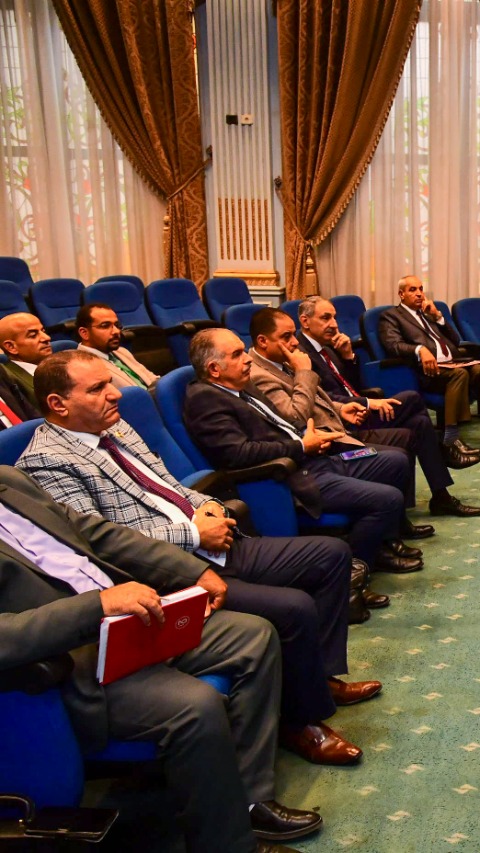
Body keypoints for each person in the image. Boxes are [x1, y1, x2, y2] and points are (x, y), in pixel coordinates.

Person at [18, 349, 377, 767]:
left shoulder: (114, 426)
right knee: (293, 607)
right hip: (165, 572)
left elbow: (169, 485)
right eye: (97, 388)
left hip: (210, 541)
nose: (115, 393)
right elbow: (100, 545)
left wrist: (208, 507)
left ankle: (320, 679)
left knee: (330, 554)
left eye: (110, 383)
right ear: (58, 404)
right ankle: (300, 723)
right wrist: (192, 533)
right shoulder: (47, 462)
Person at [0, 465, 320, 852]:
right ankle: (228, 844)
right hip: (68, 664)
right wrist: (95, 607)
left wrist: (191, 570)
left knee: (254, 635)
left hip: (131, 620)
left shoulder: (10, 480)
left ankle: (250, 801)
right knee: (196, 705)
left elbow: (99, 534)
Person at [182, 328, 423, 574]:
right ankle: (355, 568)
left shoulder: (241, 385)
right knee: (389, 498)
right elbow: (237, 454)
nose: (247, 359)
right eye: (237, 355)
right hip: (293, 477)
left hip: (315, 458)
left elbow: (283, 422)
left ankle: (381, 543)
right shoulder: (205, 400)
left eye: (244, 351)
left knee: (396, 461)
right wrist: (301, 445)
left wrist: (314, 433)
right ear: (214, 369)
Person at [247, 308, 445, 544]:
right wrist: (303, 372)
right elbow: (296, 416)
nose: (294, 341)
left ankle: (410, 515)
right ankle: (392, 530)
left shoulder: (286, 358)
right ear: (263, 341)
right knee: (399, 451)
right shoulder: (262, 374)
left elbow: (321, 396)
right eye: (287, 336)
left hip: (339, 426)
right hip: (325, 444)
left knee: (416, 424)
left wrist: (341, 408)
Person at [293, 299, 480, 517]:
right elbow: (322, 399)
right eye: (326, 318)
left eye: (334, 317)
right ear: (305, 321)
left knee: (419, 423)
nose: (334, 324)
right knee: (412, 398)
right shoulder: (300, 355)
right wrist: (367, 402)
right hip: (343, 422)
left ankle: (441, 496)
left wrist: (348, 357)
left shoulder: (329, 345)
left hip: (359, 410)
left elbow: (353, 386)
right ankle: (444, 450)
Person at [377, 275, 480, 460]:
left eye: (421, 289)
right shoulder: (390, 316)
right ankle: (451, 439)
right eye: (412, 290)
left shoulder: (427, 313)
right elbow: (393, 345)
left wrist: (438, 317)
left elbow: (455, 340)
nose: (419, 294)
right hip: (427, 370)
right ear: (401, 294)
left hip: (452, 363)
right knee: (459, 374)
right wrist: (419, 349)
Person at [75, 302, 158, 388]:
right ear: (84, 333)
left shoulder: (121, 351)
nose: (116, 331)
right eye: (105, 326)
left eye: (117, 325)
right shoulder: (82, 366)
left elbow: (151, 378)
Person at [0, 311, 52, 405]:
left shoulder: (62, 364)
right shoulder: (9, 380)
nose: (46, 338)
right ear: (11, 347)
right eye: (33, 335)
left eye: (43, 331)